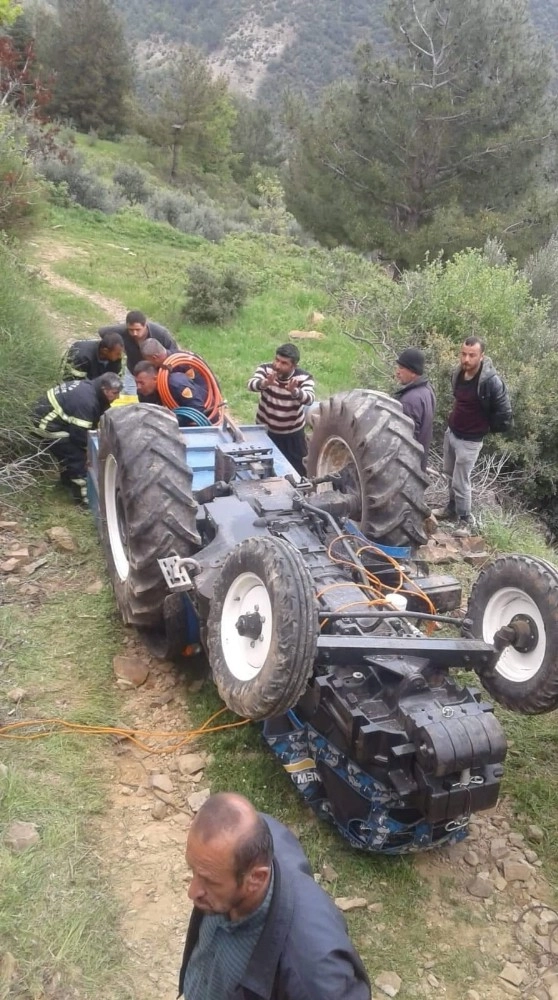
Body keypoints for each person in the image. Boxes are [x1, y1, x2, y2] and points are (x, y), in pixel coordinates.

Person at [178, 792, 370, 1000]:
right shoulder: (244, 845)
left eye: (210, 881)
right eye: (193, 871)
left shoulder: (313, 972)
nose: (192, 892)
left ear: (257, 878)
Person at [434, 337, 512, 536]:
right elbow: (458, 398)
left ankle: (464, 520)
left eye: (472, 355)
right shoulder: (458, 373)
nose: (466, 359)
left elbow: (504, 413)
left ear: (482, 356)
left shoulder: (491, 382)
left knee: (461, 481)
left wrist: (483, 428)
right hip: (452, 432)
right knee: (449, 474)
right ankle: (451, 508)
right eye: (463, 354)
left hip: (470, 440)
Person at [32, 373, 121, 504]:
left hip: (55, 420)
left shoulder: (91, 389)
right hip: (46, 425)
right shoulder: (86, 402)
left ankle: (67, 481)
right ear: (104, 389)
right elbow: (79, 435)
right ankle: (82, 499)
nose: (117, 397)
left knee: (71, 452)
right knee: (77, 458)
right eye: (115, 393)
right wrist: (89, 453)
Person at [248, 343, 315, 477]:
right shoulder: (266, 370)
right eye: (277, 360)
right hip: (265, 432)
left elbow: (310, 399)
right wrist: (264, 383)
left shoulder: (303, 378)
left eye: (284, 363)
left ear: (294, 366)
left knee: (299, 472)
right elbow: (251, 385)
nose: (277, 365)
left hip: (292, 435)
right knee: (262, 470)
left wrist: (295, 392)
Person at [98, 310, 178, 391]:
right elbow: (102, 332)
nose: (134, 333)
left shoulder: (160, 333)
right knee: (130, 397)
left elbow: (173, 352)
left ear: (145, 325)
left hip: (156, 374)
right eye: (131, 330)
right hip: (133, 372)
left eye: (138, 329)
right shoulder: (122, 331)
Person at [393, 347, 436, 472]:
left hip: (407, 470)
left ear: (413, 371)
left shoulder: (409, 401)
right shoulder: (428, 390)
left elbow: (406, 443)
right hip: (418, 465)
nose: (397, 372)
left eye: (401, 368)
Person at [133, 360, 206, 413]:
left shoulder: (176, 384)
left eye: (142, 383)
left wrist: (172, 419)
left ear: (155, 379)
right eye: (136, 383)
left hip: (205, 418)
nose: (138, 387)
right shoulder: (143, 393)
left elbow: (198, 408)